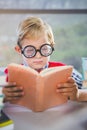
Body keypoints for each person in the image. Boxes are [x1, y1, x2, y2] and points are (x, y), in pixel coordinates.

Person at [2, 16, 87, 105]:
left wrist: (77, 94)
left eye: (44, 49)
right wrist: (3, 97)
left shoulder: (66, 73)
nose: (38, 56)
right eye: (30, 50)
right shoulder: (9, 76)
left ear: (52, 47)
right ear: (19, 50)